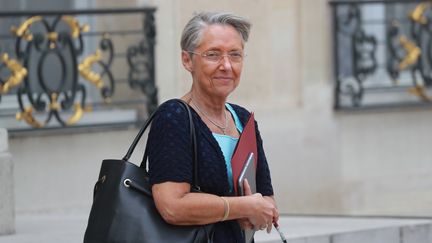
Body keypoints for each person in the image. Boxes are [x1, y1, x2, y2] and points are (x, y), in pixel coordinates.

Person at [147, 12, 279, 243]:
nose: (226, 65)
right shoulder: (174, 117)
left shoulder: (244, 119)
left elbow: (266, 201)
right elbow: (172, 206)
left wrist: (260, 212)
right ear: (187, 60)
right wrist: (243, 207)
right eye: (213, 55)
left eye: (235, 55)